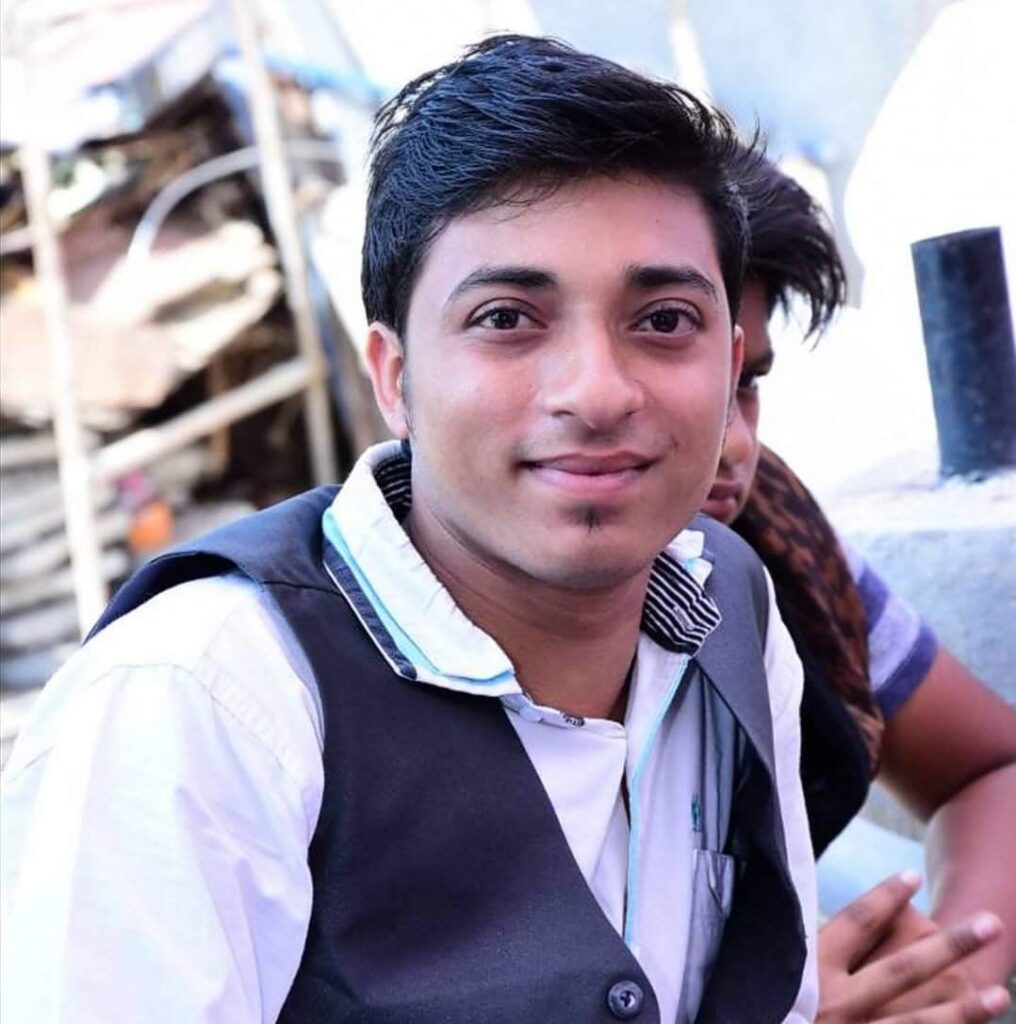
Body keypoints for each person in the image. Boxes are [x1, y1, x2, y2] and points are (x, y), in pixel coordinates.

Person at [3, 34, 820, 1024]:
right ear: (394, 378)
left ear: (731, 365)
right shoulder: (204, 699)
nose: (598, 392)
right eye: (507, 319)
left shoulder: (728, 609)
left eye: (662, 321)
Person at [704, 151, 1016, 1022]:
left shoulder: (781, 538)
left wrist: (943, 980)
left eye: (746, 384)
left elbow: (991, 767)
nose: (732, 444)